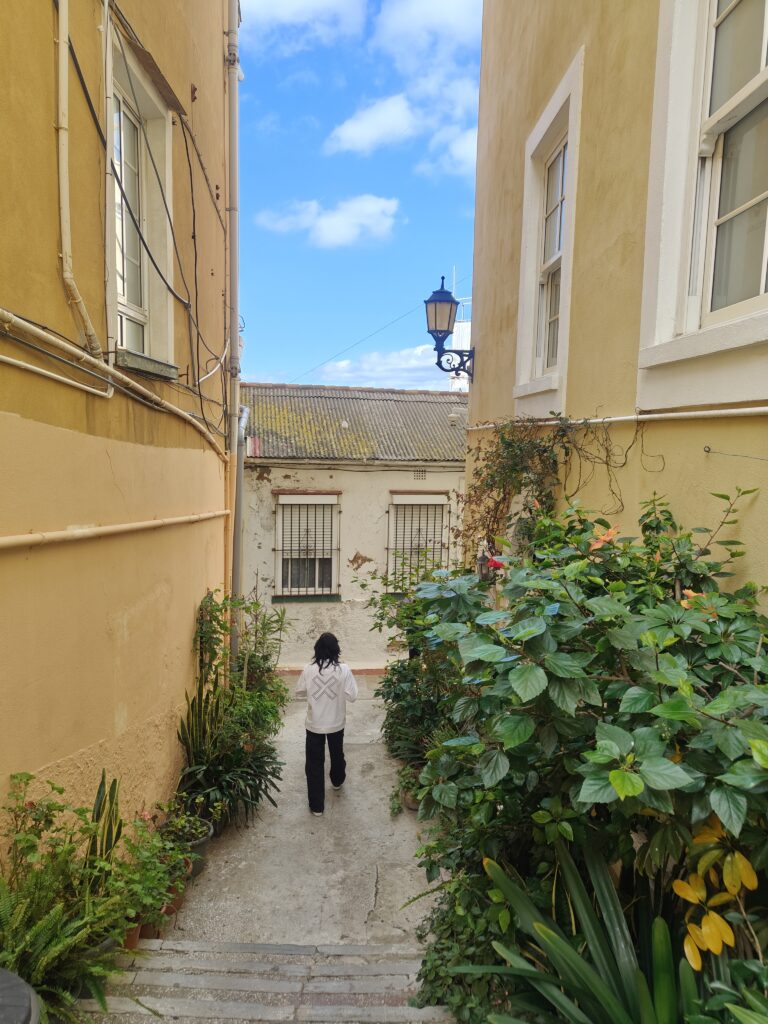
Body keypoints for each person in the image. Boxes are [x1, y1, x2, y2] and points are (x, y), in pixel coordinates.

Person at [295, 632, 358, 817]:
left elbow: (299, 692)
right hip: (336, 722)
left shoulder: (308, 669)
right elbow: (352, 696)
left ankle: (317, 806)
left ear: (317, 649)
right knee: (337, 754)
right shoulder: (343, 669)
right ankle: (337, 780)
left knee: (314, 764)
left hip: (314, 724)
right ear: (336, 649)